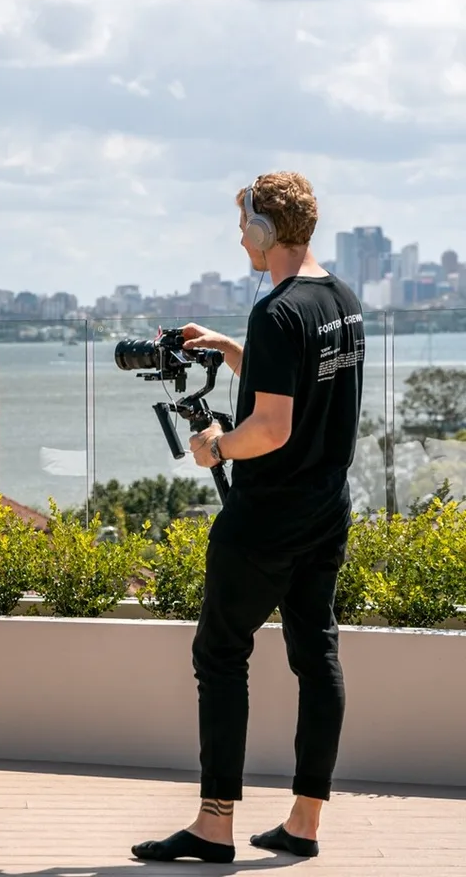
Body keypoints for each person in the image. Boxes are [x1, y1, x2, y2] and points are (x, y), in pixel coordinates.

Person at [132, 172, 365, 864]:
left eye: (243, 226)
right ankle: (304, 822)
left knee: (221, 654)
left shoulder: (278, 308)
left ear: (264, 231)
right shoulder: (341, 302)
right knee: (315, 654)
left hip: (266, 516)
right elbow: (303, 382)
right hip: (327, 510)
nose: (240, 237)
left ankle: (212, 825)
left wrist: (214, 447)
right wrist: (236, 352)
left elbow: (269, 427)